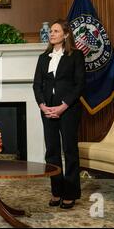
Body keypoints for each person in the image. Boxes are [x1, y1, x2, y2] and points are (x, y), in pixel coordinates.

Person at [32, 19, 85, 209]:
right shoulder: (43, 58)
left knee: (69, 151)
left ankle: (70, 194)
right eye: (51, 31)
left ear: (66, 34)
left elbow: (79, 85)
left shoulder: (76, 56)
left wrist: (63, 106)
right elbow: (37, 84)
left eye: (56, 31)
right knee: (52, 152)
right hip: (47, 109)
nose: (51, 34)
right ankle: (56, 192)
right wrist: (42, 106)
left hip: (68, 109)